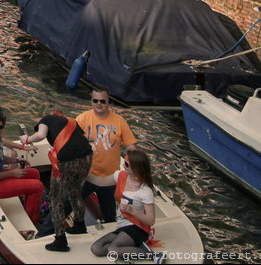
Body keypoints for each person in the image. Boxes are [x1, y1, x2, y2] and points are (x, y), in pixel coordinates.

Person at [22, 108, 95, 251]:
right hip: (87, 156)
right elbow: (80, 136)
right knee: (75, 191)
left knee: (55, 200)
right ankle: (80, 225)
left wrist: (26, 139)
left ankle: (60, 240)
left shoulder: (46, 120)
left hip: (66, 161)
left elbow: (40, 135)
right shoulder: (71, 120)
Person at [77, 87, 138, 224]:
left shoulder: (120, 121)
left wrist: (133, 159)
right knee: (67, 203)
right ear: (91, 101)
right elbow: (71, 142)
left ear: (108, 102)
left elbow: (130, 145)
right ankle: (48, 231)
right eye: (95, 100)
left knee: (109, 212)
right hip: (86, 175)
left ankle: (111, 230)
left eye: (103, 101)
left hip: (109, 178)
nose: (99, 104)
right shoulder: (81, 119)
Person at [0, 107, 44, 225]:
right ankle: (33, 221)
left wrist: (16, 160)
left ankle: (30, 208)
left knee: (34, 173)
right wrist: (12, 173)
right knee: (38, 186)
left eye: (1, 127)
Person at [90, 150, 160, 260]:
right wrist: (84, 176)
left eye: (126, 164)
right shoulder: (121, 176)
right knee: (96, 248)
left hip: (138, 227)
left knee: (113, 250)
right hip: (123, 226)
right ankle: (130, 248)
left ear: (136, 169)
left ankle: (153, 255)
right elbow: (101, 181)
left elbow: (151, 220)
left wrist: (132, 211)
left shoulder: (145, 191)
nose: (123, 164)